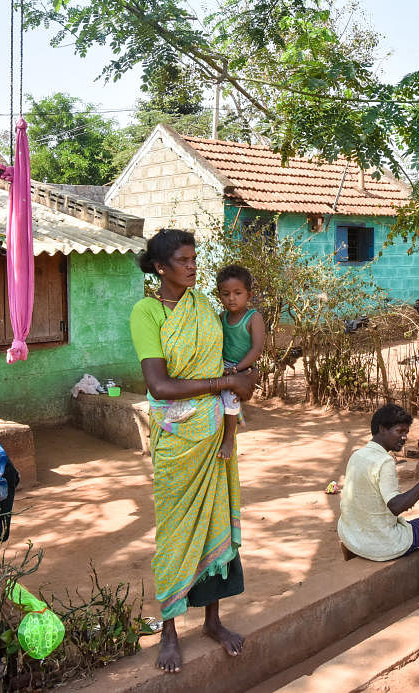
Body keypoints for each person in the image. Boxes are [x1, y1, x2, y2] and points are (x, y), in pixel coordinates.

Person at [129, 228, 258, 673]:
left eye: (194, 258)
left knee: (214, 522)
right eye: (183, 260)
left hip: (214, 435)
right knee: (175, 533)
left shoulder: (205, 307)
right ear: (161, 267)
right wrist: (227, 383)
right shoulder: (147, 312)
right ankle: (169, 630)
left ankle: (213, 621)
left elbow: (234, 352)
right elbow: (159, 385)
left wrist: (245, 376)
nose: (192, 266)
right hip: (177, 441)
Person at [337, 404, 419, 561]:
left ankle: (357, 549)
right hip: (383, 543)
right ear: (382, 429)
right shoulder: (384, 461)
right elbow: (396, 506)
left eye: (406, 433)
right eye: (399, 431)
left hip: (351, 534)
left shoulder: (357, 455)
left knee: (412, 522)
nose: (404, 437)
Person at [216, 264, 266, 460]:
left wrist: (237, 369)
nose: (231, 298)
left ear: (249, 295)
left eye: (238, 293)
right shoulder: (222, 317)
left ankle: (229, 439)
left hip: (242, 367)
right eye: (226, 293)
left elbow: (257, 349)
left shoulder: (253, 318)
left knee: (229, 396)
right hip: (222, 365)